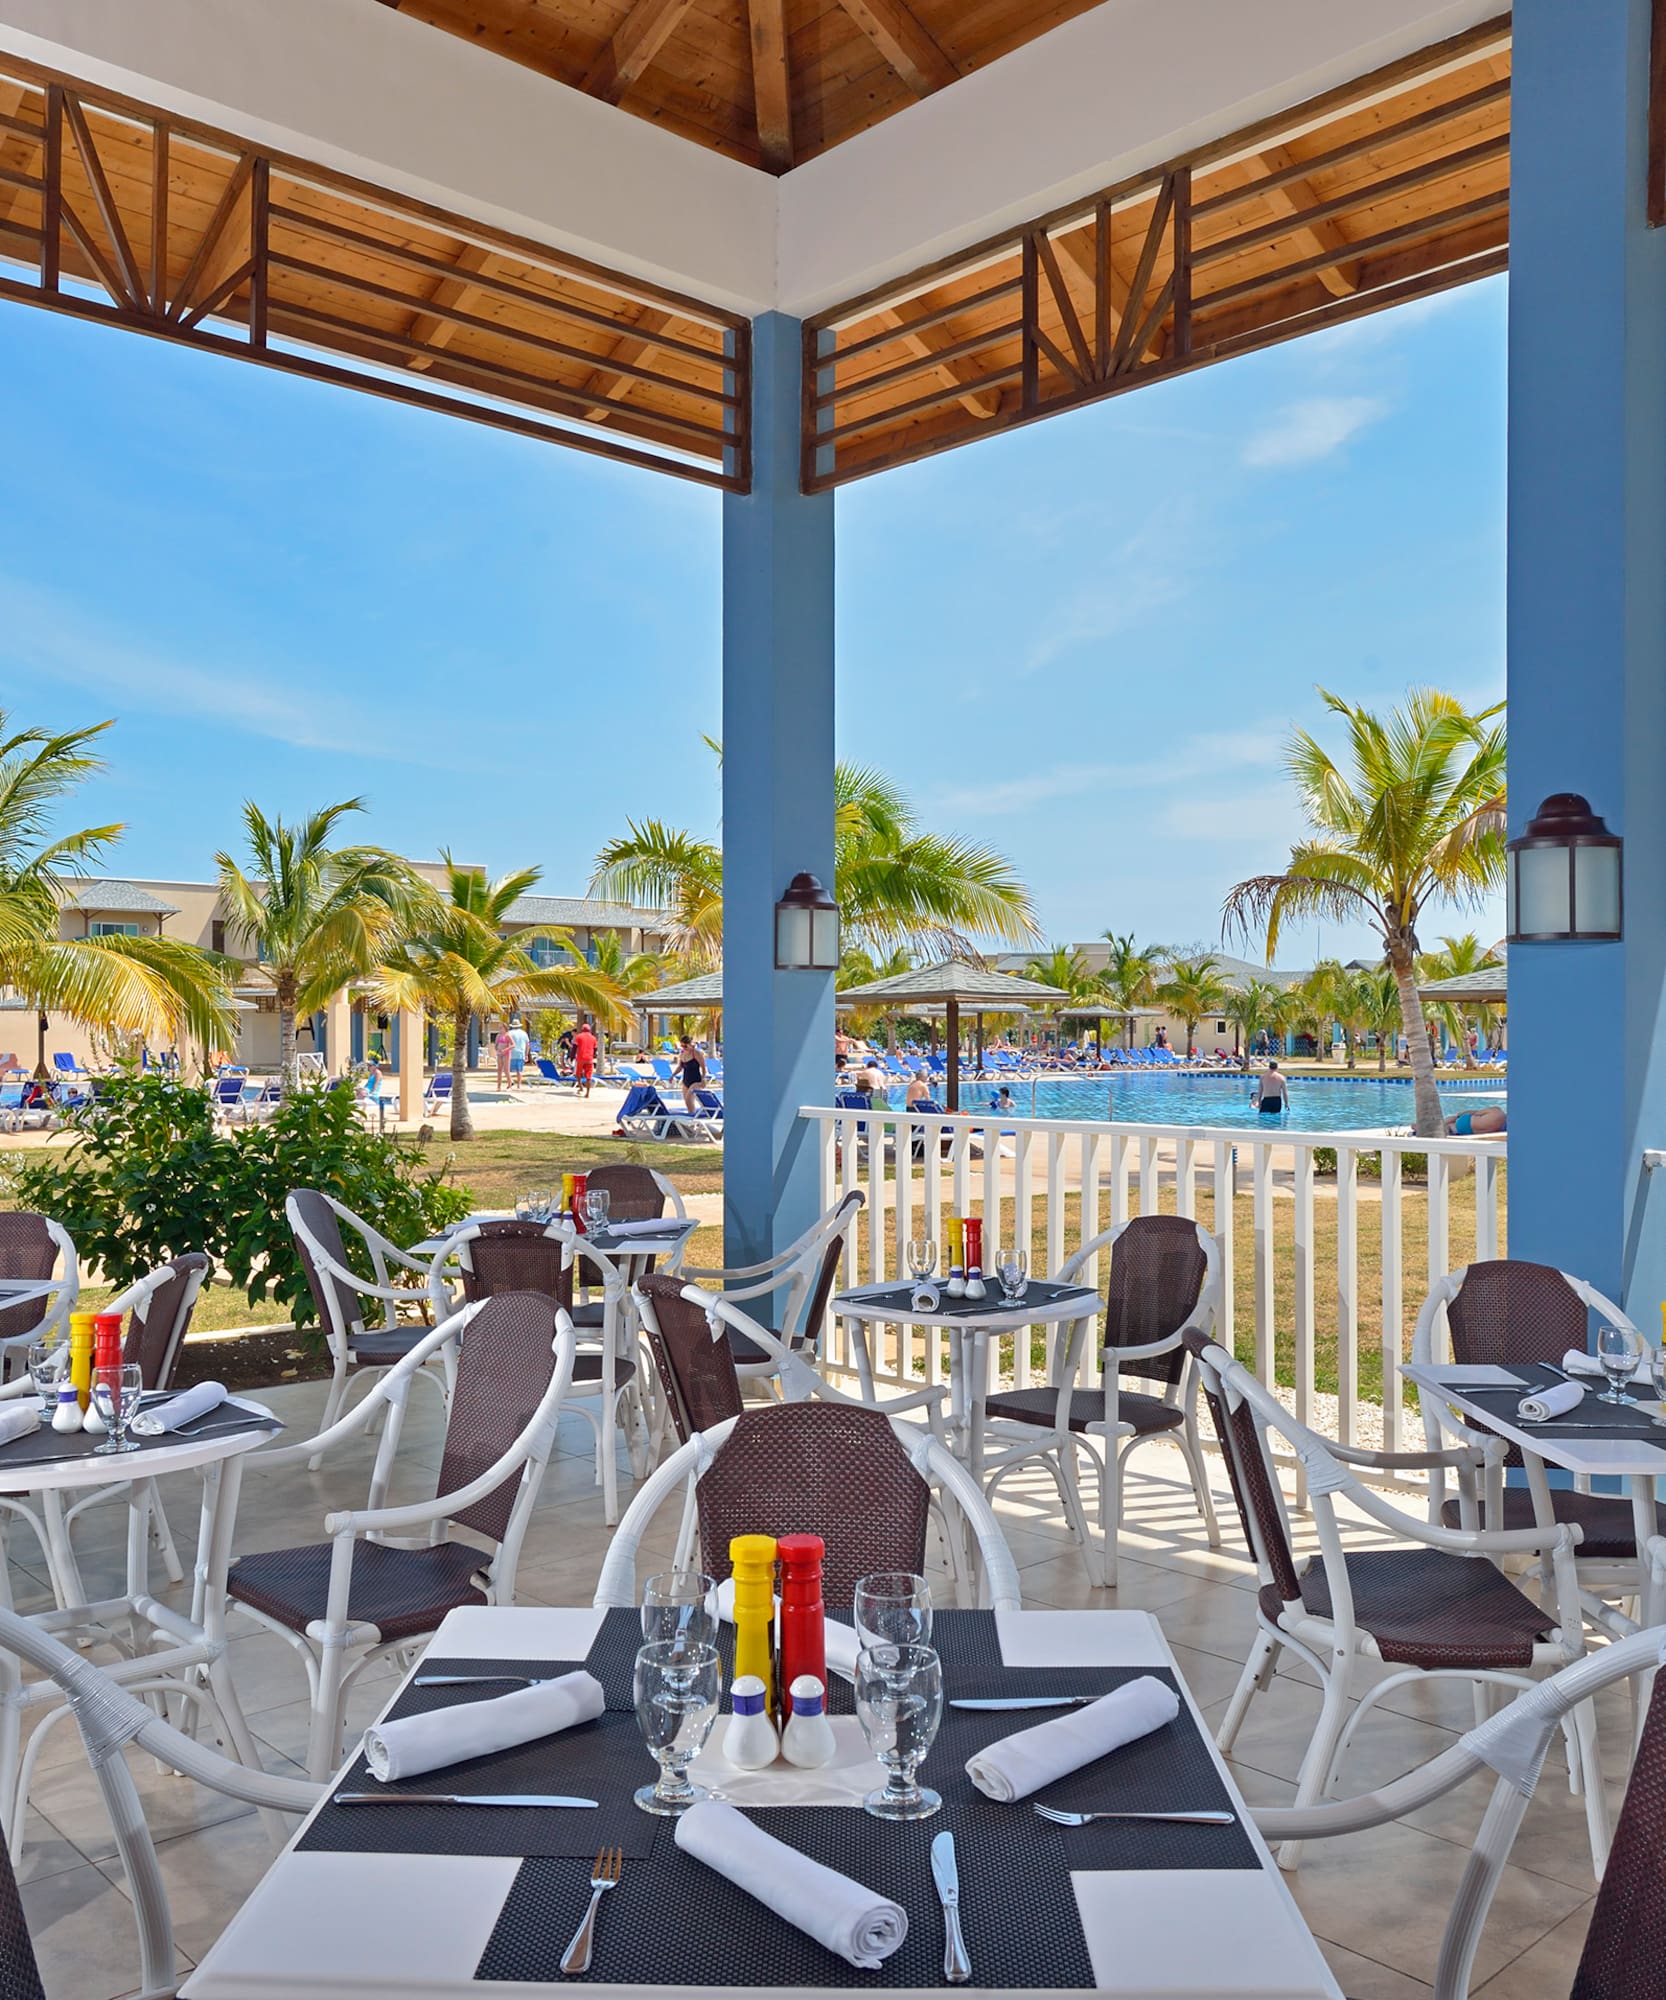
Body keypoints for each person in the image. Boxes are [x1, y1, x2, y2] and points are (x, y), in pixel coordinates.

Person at [677, 1034, 706, 1113]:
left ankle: (693, 1121)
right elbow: (680, 1067)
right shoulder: (682, 1054)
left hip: (696, 1080)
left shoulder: (696, 1053)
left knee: (688, 1100)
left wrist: (703, 1079)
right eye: (682, 1046)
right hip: (686, 1081)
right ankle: (692, 1122)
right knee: (688, 1104)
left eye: (685, 1046)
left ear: (690, 1044)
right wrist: (672, 1076)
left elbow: (703, 1067)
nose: (683, 1048)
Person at [572, 1017, 598, 1099]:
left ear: (582, 1029)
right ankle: (587, 1093)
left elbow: (574, 1047)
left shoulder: (579, 1037)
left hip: (580, 1058)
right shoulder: (593, 1038)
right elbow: (595, 1049)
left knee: (577, 1074)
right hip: (589, 1059)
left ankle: (580, 1087)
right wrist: (594, 1056)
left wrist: (572, 1056)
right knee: (588, 1076)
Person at [507, 1017, 530, 1084]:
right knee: (519, 1070)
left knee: (507, 1070)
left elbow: (507, 1043)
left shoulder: (509, 1033)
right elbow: (527, 1044)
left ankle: (510, 1081)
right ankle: (519, 1085)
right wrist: (526, 1054)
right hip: (521, 1053)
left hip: (511, 1053)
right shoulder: (524, 1033)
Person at [494, 1024, 513, 1090]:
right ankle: (498, 1086)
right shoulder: (498, 1036)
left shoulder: (507, 1035)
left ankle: (509, 1085)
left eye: (501, 1028)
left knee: (506, 1069)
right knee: (499, 1069)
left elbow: (513, 1045)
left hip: (506, 1054)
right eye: (499, 1028)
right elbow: (496, 1045)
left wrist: (506, 1049)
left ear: (505, 1028)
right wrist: (497, 1049)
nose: (500, 1029)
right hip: (500, 1053)